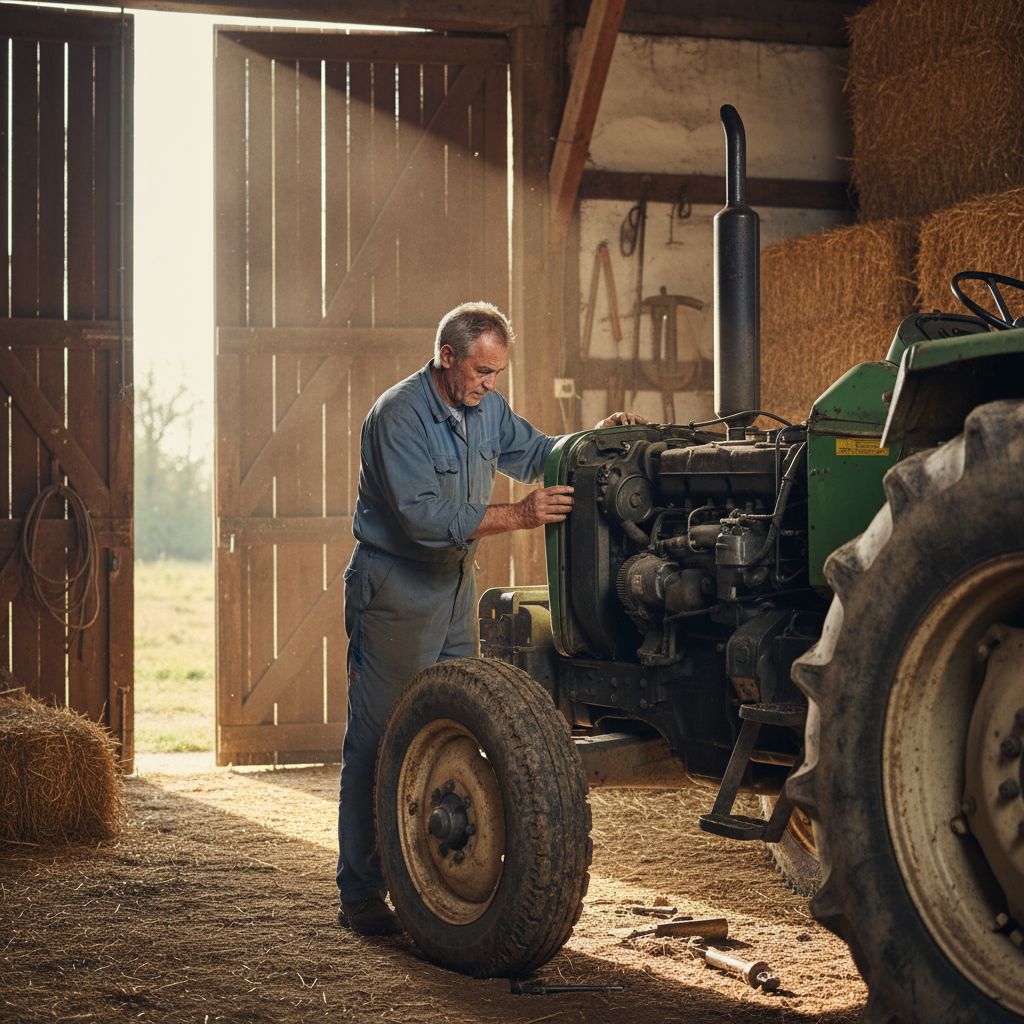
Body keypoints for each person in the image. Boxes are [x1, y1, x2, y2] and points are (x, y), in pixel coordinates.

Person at [336, 300, 644, 935]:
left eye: (498, 372)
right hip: (397, 587)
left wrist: (594, 440)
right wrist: (521, 515)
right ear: (447, 356)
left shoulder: (487, 408)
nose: (489, 383)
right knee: (380, 736)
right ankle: (361, 893)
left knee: (448, 723)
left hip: (453, 586)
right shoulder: (398, 415)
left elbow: (538, 454)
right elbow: (423, 519)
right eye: (481, 371)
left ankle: (422, 879)